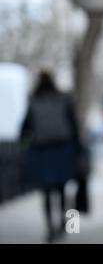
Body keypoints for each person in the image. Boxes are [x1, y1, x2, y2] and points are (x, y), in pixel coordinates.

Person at [20, 71, 81, 243]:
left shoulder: (34, 100)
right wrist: (77, 149)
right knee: (62, 190)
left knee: (46, 192)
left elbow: (25, 127)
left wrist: (23, 145)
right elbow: (73, 125)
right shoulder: (62, 99)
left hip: (42, 151)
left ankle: (49, 227)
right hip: (61, 150)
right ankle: (65, 223)